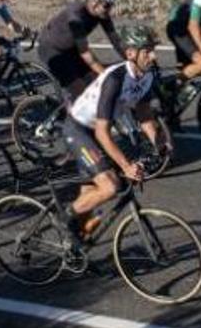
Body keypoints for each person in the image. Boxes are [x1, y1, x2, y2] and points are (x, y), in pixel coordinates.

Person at [61, 25, 171, 242]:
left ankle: (74, 246)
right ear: (131, 53)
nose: (153, 55)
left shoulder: (146, 76)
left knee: (92, 193)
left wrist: (158, 142)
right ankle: (64, 217)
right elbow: (103, 133)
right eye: (147, 50)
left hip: (95, 133)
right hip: (80, 129)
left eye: (153, 49)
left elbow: (144, 113)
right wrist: (126, 166)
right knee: (111, 186)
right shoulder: (116, 78)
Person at [36, 0, 125, 98]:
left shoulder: (101, 13)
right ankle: (73, 114)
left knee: (95, 82)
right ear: (94, 2)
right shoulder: (75, 17)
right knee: (83, 94)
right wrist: (104, 74)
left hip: (72, 48)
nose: (109, 10)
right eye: (107, 5)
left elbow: (116, 40)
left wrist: (132, 58)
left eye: (111, 5)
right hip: (52, 51)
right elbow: (86, 54)